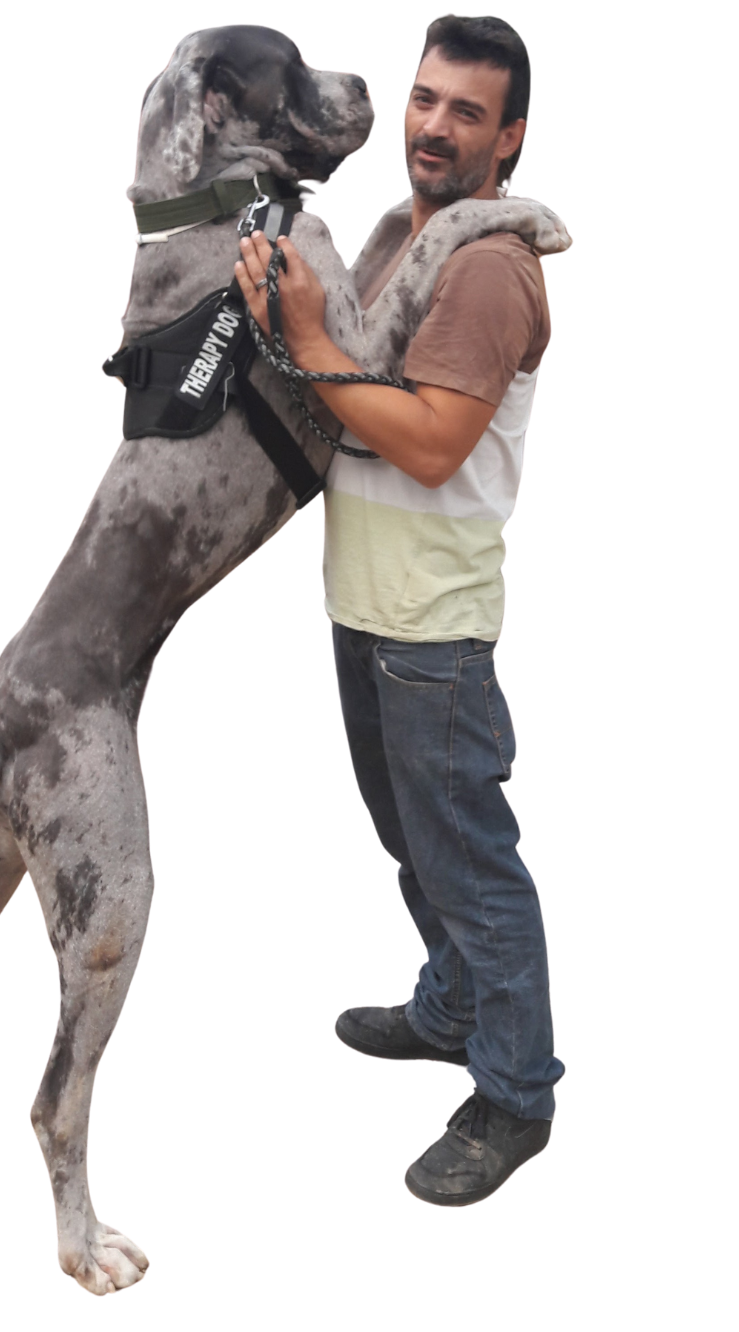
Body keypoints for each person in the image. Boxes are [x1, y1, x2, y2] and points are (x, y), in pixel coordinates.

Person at [235, 14, 566, 1207]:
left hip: (435, 629)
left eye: (466, 112)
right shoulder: (403, 238)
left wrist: (304, 333)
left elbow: (428, 443)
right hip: (365, 607)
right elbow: (341, 390)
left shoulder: (486, 267)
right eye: (426, 100)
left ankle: (517, 1093)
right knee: (410, 842)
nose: (434, 125)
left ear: (508, 137)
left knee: (471, 864)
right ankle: (451, 1007)